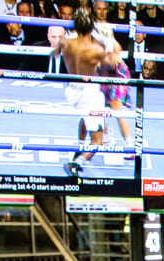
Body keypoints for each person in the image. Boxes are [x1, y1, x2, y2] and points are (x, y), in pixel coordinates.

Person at [55, 8, 114, 176]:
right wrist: (108, 43)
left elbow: (56, 51)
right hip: (90, 90)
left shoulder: (68, 40)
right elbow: (110, 63)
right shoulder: (96, 44)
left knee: (85, 116)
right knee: (98, 141)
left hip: (72, 89)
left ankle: (80, 145)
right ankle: (77, 161)